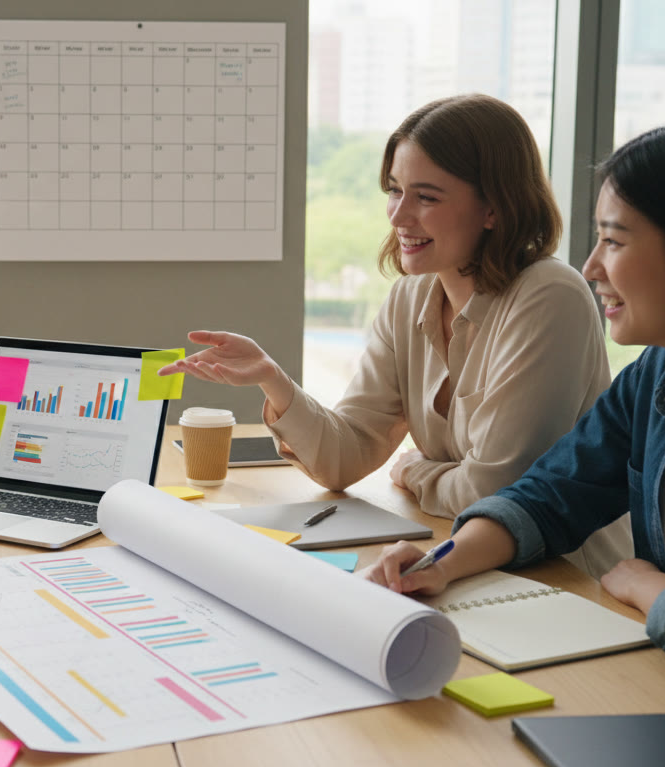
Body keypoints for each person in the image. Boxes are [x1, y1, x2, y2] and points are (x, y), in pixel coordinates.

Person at [361, 117, 665, 704]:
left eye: (614, 242)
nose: (591, 268)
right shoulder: (658, 377)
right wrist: (440, 563)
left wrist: (647, 587)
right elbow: (546, 496)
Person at [161, 94, 631, 576]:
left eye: (426, 197)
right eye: (394, 190)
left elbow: (495, 495)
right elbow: (343, 460)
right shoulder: (411, 296)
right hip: (461, 563)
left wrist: (415, 469)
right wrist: (274, 380)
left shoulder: (549, 296)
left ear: (493, 207)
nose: (398, 215)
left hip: (566, 579)